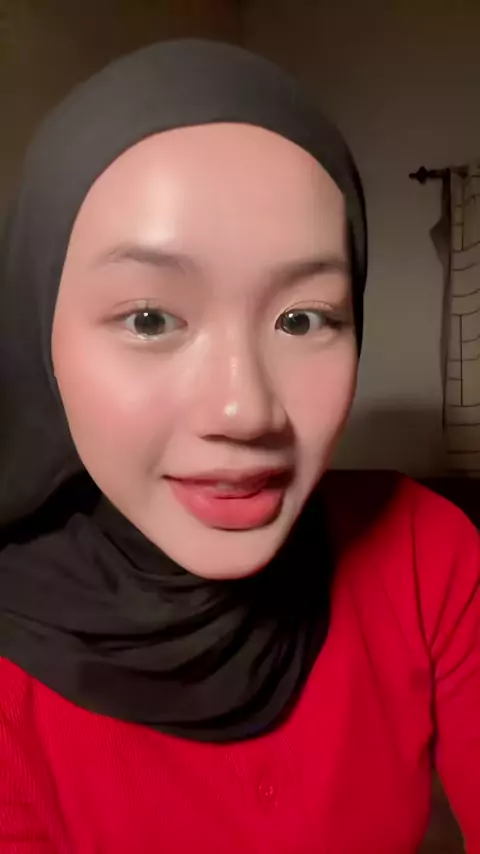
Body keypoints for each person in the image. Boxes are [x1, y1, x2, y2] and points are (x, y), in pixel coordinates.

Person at [0, 39, 478, 854]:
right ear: (38, 343)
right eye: (150, 317)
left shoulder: (422, 553)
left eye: (303, 319)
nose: (244, 410)